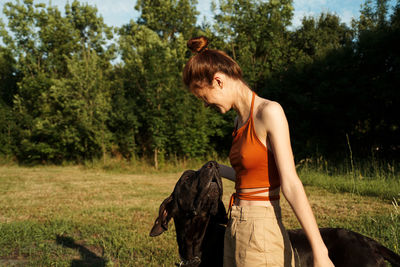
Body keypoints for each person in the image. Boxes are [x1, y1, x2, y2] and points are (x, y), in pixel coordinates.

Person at [183, 36, 334, 267]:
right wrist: (216, 168)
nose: (205, 104)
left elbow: (291, 183)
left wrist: (320, 251)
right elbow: (252, 178)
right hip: (236, 227)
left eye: (204, 96)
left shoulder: (269, 112)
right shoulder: (238, 122)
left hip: (260, 230)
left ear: (218, 81)